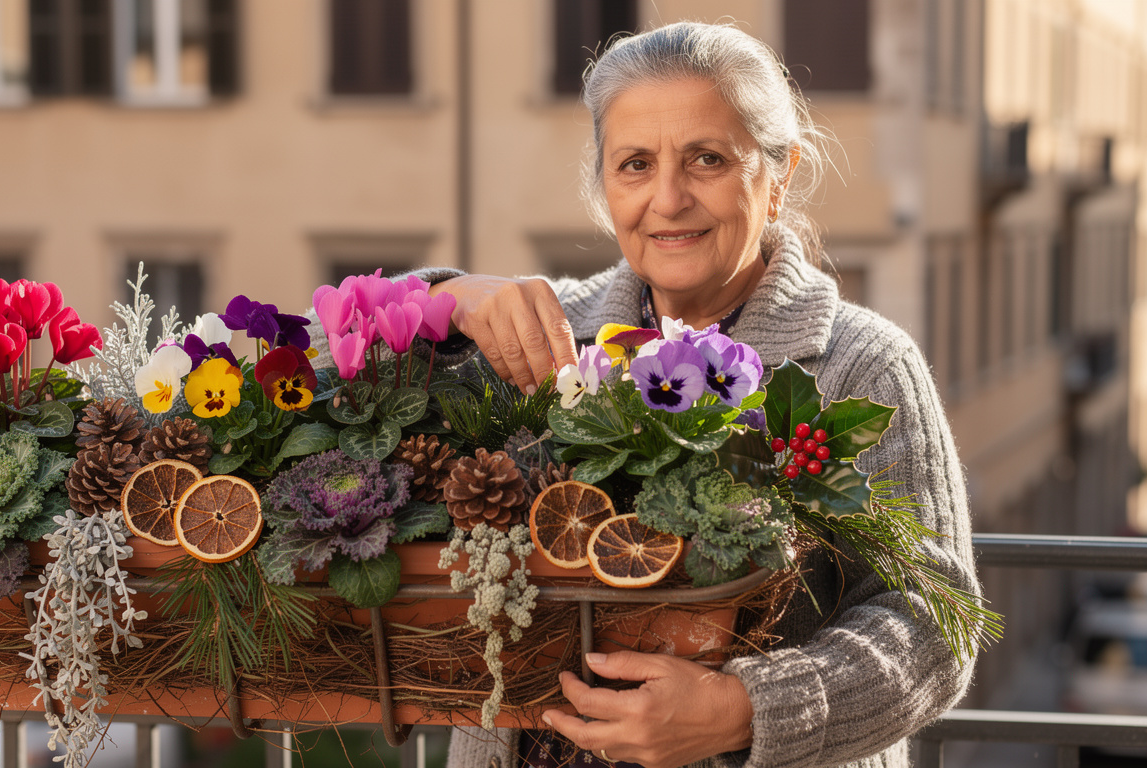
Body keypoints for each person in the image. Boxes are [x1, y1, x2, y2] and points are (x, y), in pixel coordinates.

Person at [410, 21, 980, 768]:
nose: (669, 199)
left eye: (707, 159)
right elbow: (312, 368)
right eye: (635, 165)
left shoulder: (863, 365)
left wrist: (743, 710)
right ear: (604, 185)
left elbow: (936, 630)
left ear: (779, 174)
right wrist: (440, 298)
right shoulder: (545, 340)